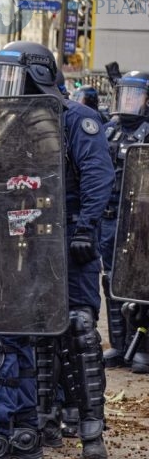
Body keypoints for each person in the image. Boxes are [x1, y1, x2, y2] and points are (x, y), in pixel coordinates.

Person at [0, 41, 112, 459]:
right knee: (11, 337)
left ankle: (11, 439)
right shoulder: (5, 123)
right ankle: (21, 433)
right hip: (18, 247)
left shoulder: (75, 120)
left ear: (35, 75)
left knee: (73, 334)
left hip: (66, 246)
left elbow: (98, 177)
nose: (3, 88)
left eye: (9, 76)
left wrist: (85, 230)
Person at [101, 71, 149, 371]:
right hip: (110, 218)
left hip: (140, 220)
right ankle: (119, 345)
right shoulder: (109, 131)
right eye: (125, 95)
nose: (128, 102)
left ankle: (142, 346)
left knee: (141, 284)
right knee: (111, 281)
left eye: (136, 96)